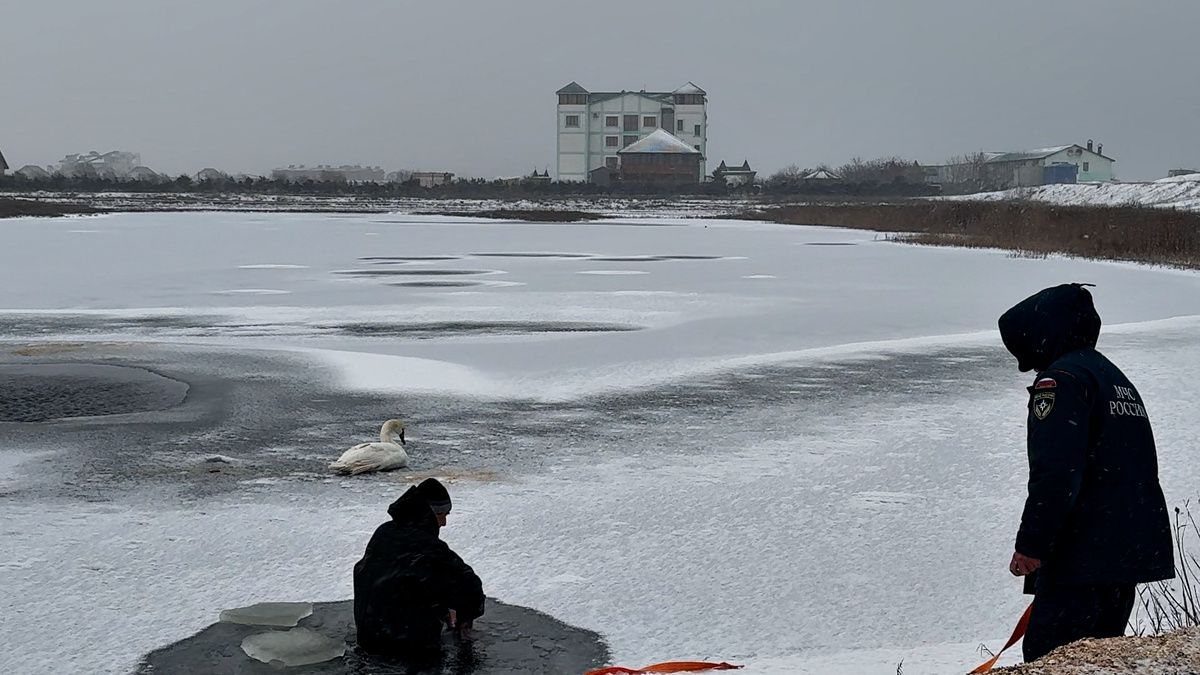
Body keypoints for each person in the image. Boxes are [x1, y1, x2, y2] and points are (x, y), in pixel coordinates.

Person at [997, 283, 1174, 662]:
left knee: (1050, 661)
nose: (1024, 366)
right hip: (1125, 553)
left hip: (1082, 558)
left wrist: (1031, 546)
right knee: (1096, 661)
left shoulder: (1060, 381)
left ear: (1042, 334)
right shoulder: (1114, 378)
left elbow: (1057, 474)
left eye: (1024, 352)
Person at [353, 478, 485, 662]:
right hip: (405, 647)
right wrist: (466, 617)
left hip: (369, 638)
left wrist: (441, 606)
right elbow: (468, 585)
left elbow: (403, 581)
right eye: (443, 514)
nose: (444, 523)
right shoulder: (426, 545)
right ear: (431, 513)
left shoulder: (384, 532)